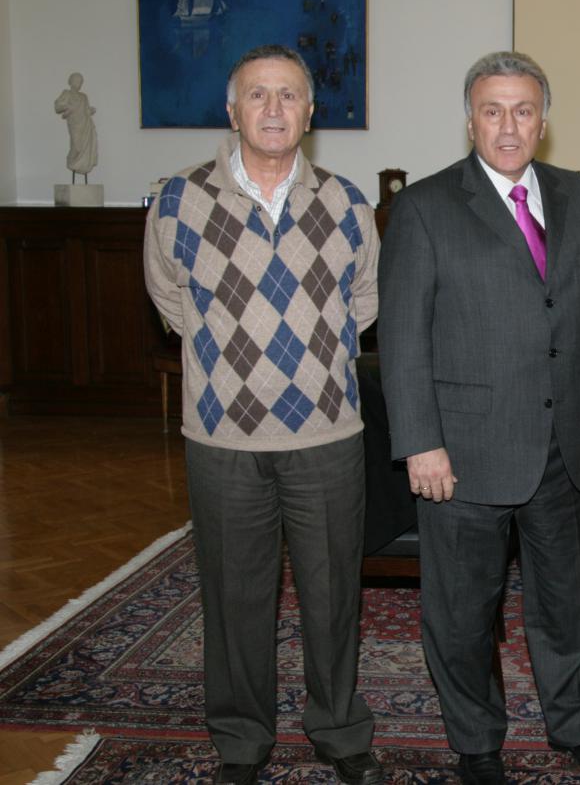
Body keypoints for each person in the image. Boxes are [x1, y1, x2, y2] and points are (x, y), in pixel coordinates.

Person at [377, 51, 580, 785]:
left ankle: (578, 726)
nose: (507, 126)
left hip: (566, 445)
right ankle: (477, 743)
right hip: (463, 452)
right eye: (491, 111)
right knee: (463, 611)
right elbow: (402, 338)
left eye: (522, 111)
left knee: (568, 602)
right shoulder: (426, 207)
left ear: (543, 120)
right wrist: (420, 442)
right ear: (469, 120)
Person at [143, 44, 383, 785]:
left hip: (327, 435)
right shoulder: (178, 201)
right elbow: (171, 300)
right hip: (222, 438)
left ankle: (338, 728)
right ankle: (242, 740)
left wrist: (308, 361)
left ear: (310, 112)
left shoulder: (347, 202)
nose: (273, 109)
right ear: (232, 109)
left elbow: (364, 302)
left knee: (332, 594)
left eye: (288, 95)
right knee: (234, 597)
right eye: (258, 95)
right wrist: (230, 358)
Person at [54, 72, 98, 181]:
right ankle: (72, 162)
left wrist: (90, 110)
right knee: (77, 146)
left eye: (80, 82)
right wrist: (68, 107)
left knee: (84, 146)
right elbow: (57, 107)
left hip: (85, 124)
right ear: (71, 81)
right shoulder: (67, 93)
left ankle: (81, 164)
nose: (78, 83)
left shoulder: (84, 96)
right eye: (77, 81)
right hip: (74, 124)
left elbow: (85, 110)